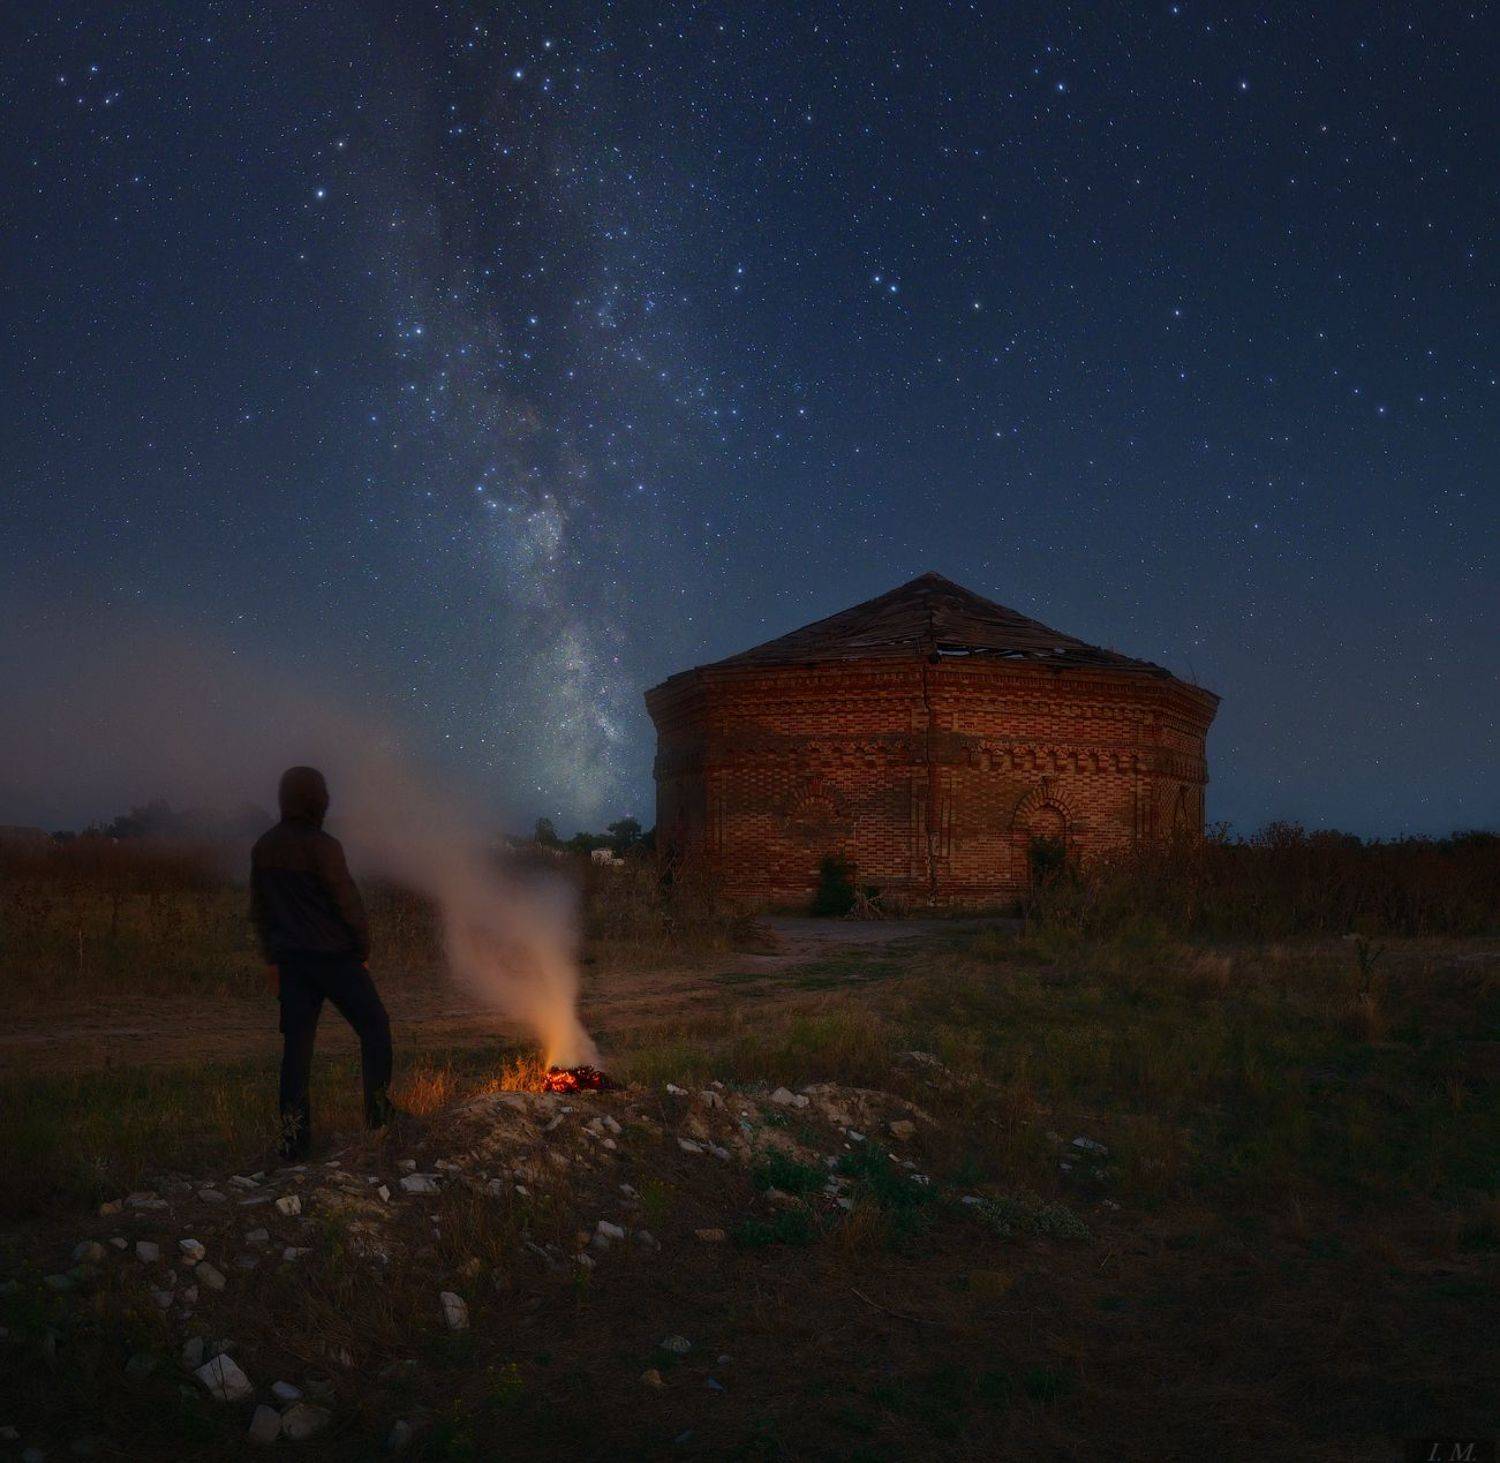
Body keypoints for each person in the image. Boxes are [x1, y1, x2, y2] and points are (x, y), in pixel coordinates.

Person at [250, 766, 394, 1161]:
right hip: (334, 958)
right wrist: (362, 950)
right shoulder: (323, 846)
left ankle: (294, 1140)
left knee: (296, 1050)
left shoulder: (264, 847)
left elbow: (260, 912)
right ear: (318, 800)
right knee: (375, 1027)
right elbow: (347, 902)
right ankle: (379, 1115)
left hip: (292, 962)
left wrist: (272, 960)